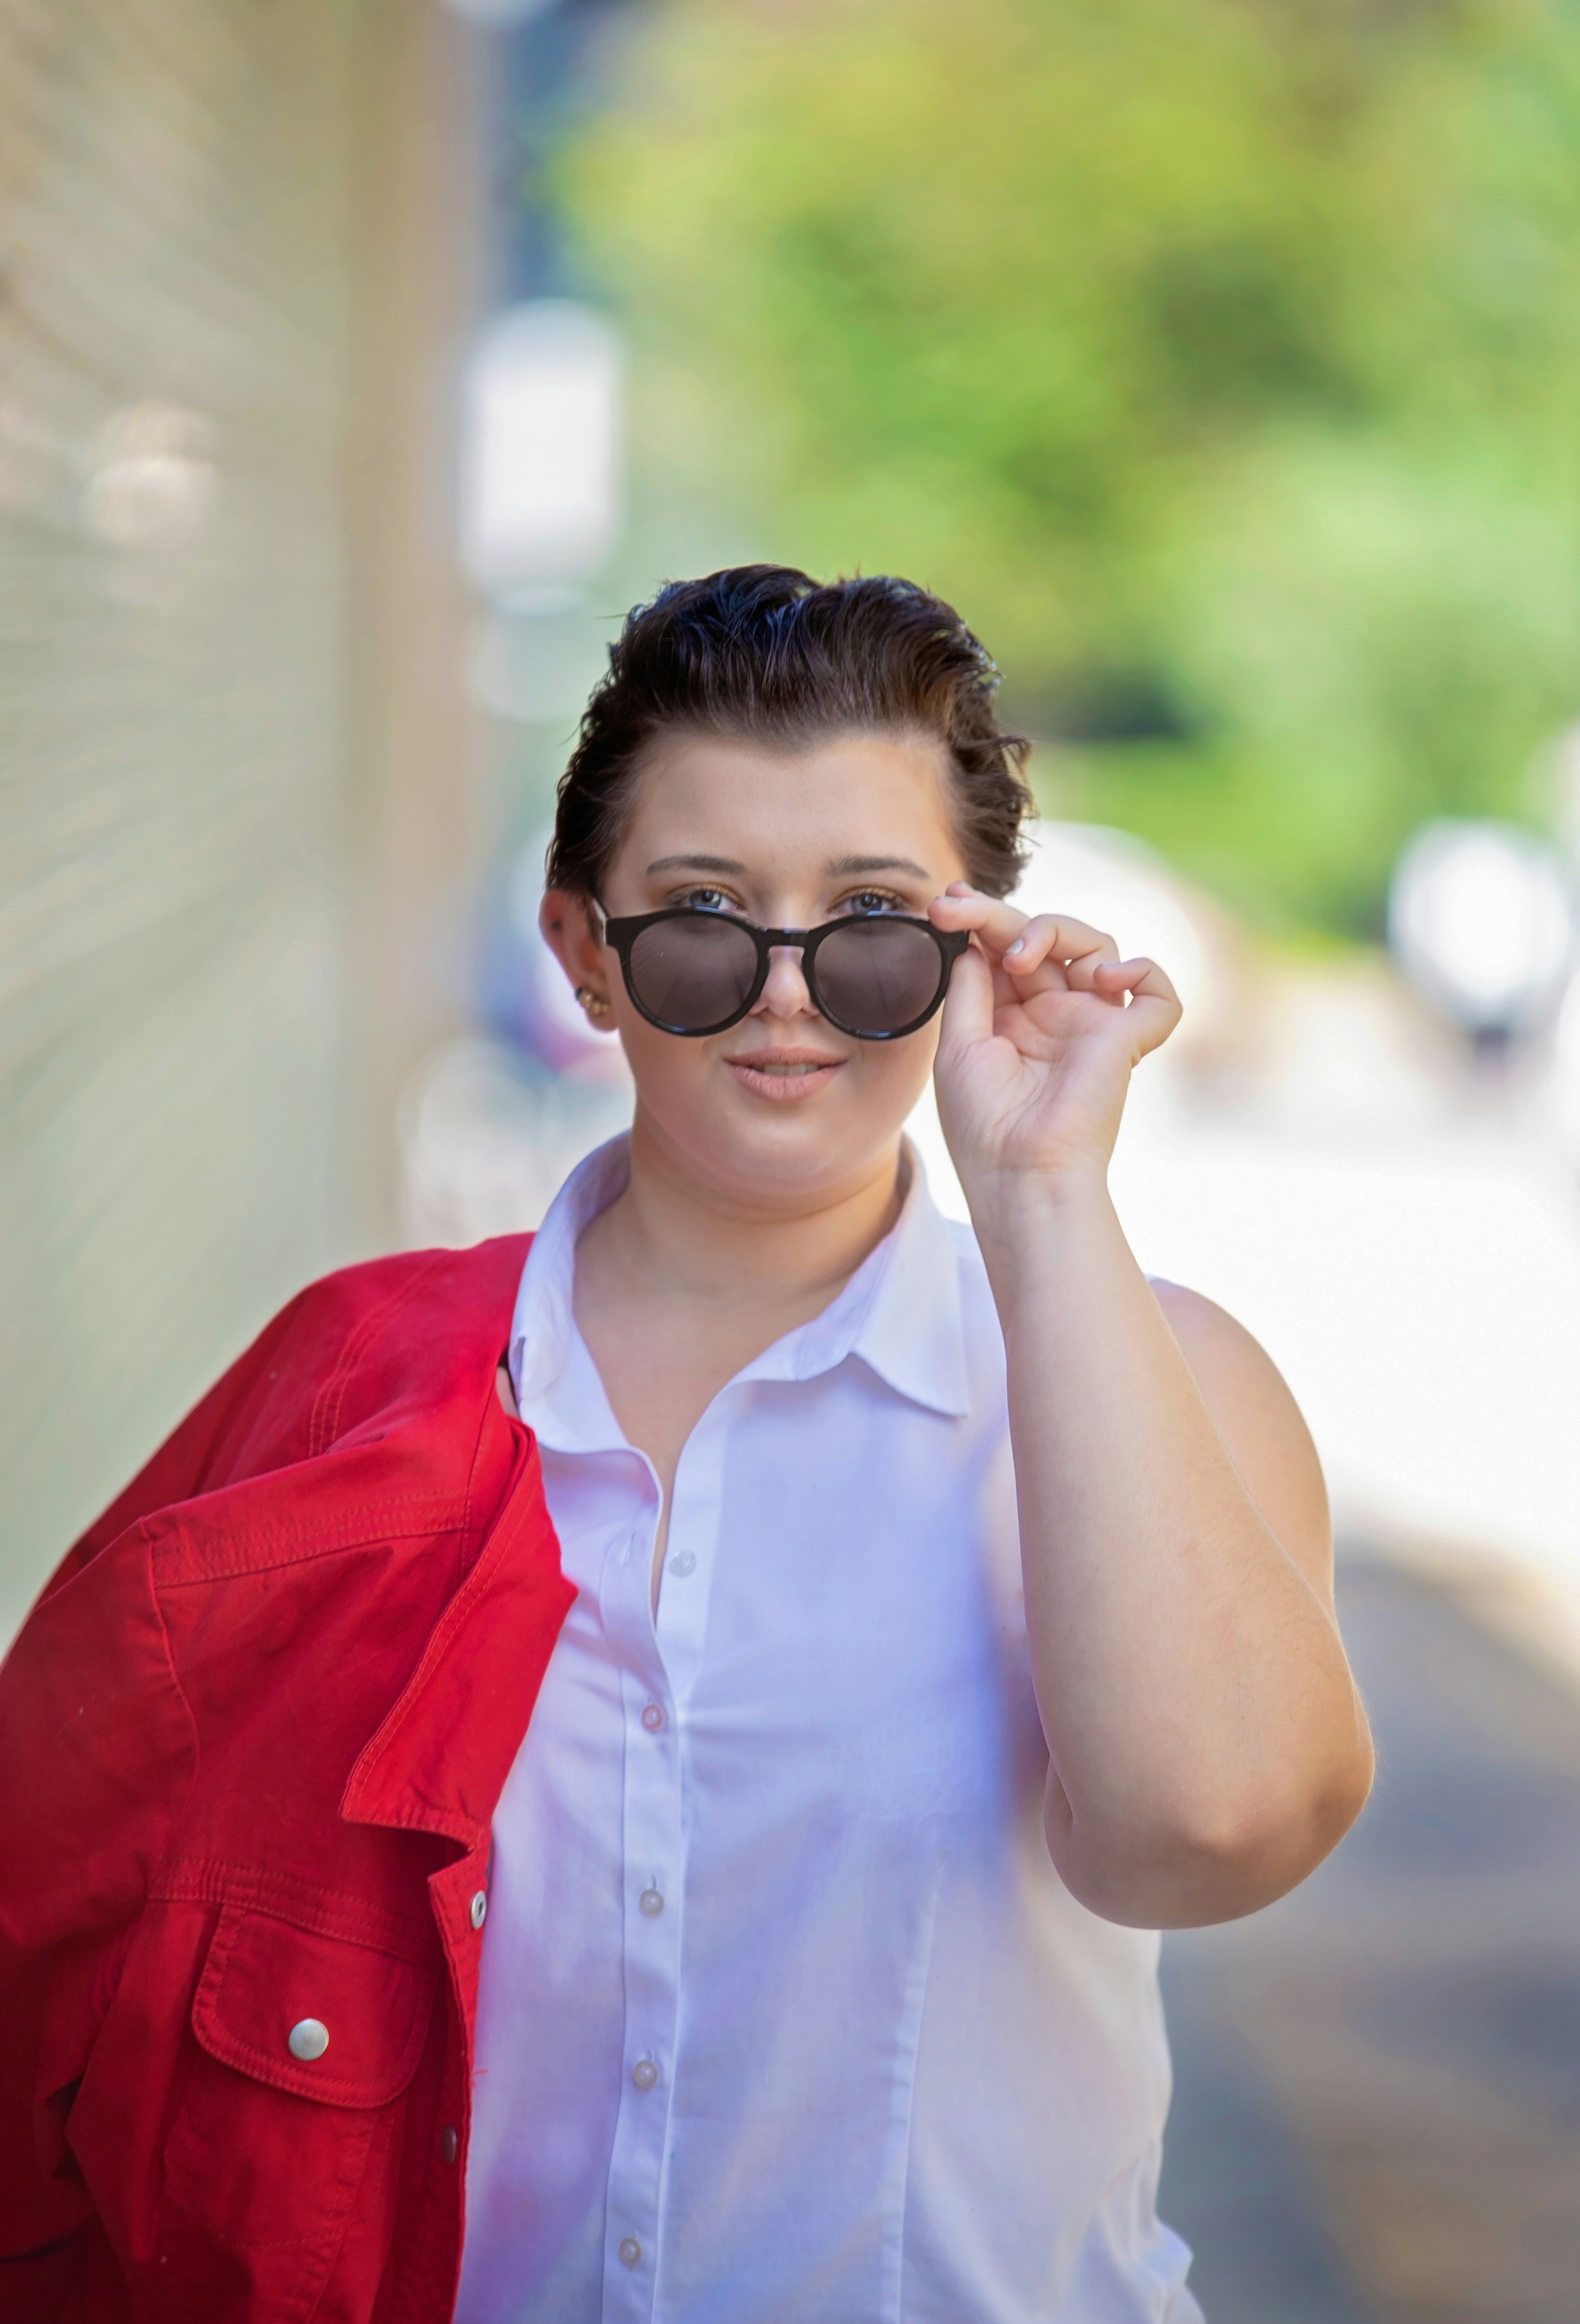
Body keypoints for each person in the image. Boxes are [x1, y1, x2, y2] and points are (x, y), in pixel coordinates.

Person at [0, 566, 1372, 2323]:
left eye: (873, 922)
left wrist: (1039, 1189)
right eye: (706, 913)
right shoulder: (352, 1387)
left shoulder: (1155, 1374)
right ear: (585, 951)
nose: (787, 993)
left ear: (979, 946)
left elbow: (1215, 1832)